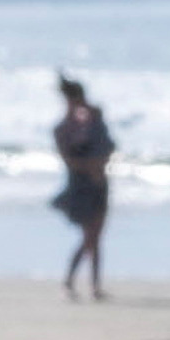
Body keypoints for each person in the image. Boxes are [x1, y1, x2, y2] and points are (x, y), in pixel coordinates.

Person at [49, 75, 118, 302]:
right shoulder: (64, 128)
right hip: (80, 186)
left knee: (96, 236)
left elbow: (108, 147)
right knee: (90, 236)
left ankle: (92, 284)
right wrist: (91, 168)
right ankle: (73, 282)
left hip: (98, 183)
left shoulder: (94, 122)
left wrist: (98, 167)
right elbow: (69, 158)